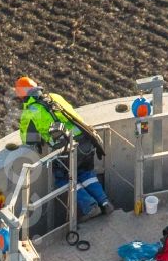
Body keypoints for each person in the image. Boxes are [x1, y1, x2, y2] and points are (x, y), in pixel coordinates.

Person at [15, 76, 113, 221]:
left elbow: (27, 139)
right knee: (86, 173)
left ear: (21, 95)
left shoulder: (29, 111)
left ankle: (90, 207)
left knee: (64, 179)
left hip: (66, 148)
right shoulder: (55, 97)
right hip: (86, 139)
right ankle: (105, 202)